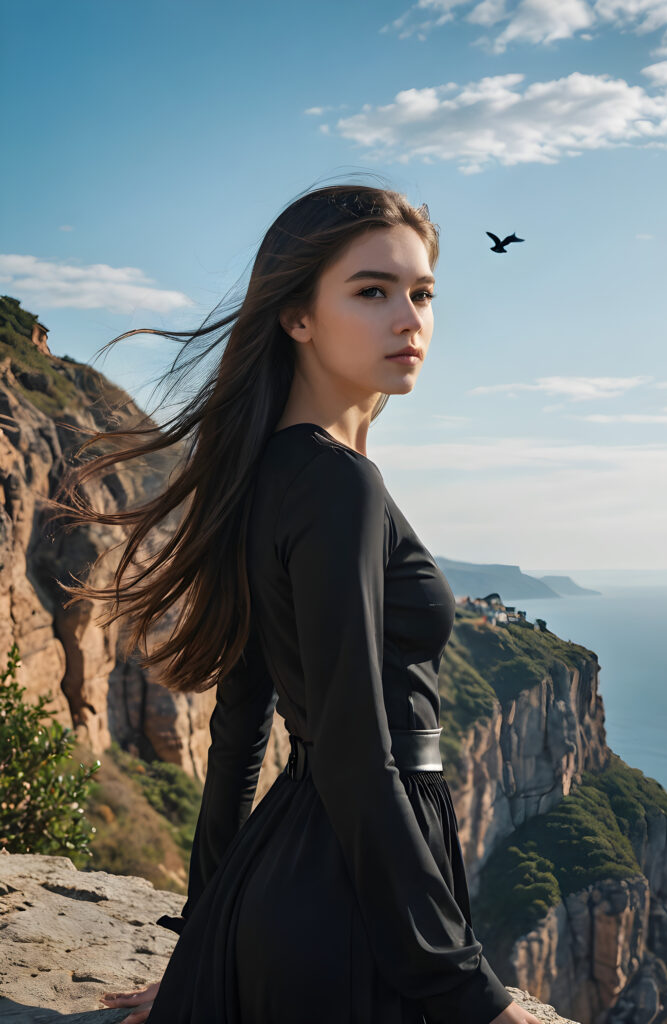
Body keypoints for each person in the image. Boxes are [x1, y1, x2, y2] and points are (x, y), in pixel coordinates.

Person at [52, 181, 544, 1023]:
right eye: (372, 291)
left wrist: (203, 945)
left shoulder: (269, 472)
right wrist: (473, 997)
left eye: (422, 293)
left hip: (291, 891)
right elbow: (357, 754)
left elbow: (241, 728)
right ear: (297, 316)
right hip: (352, 904)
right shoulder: (336, 483)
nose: (409, 318)